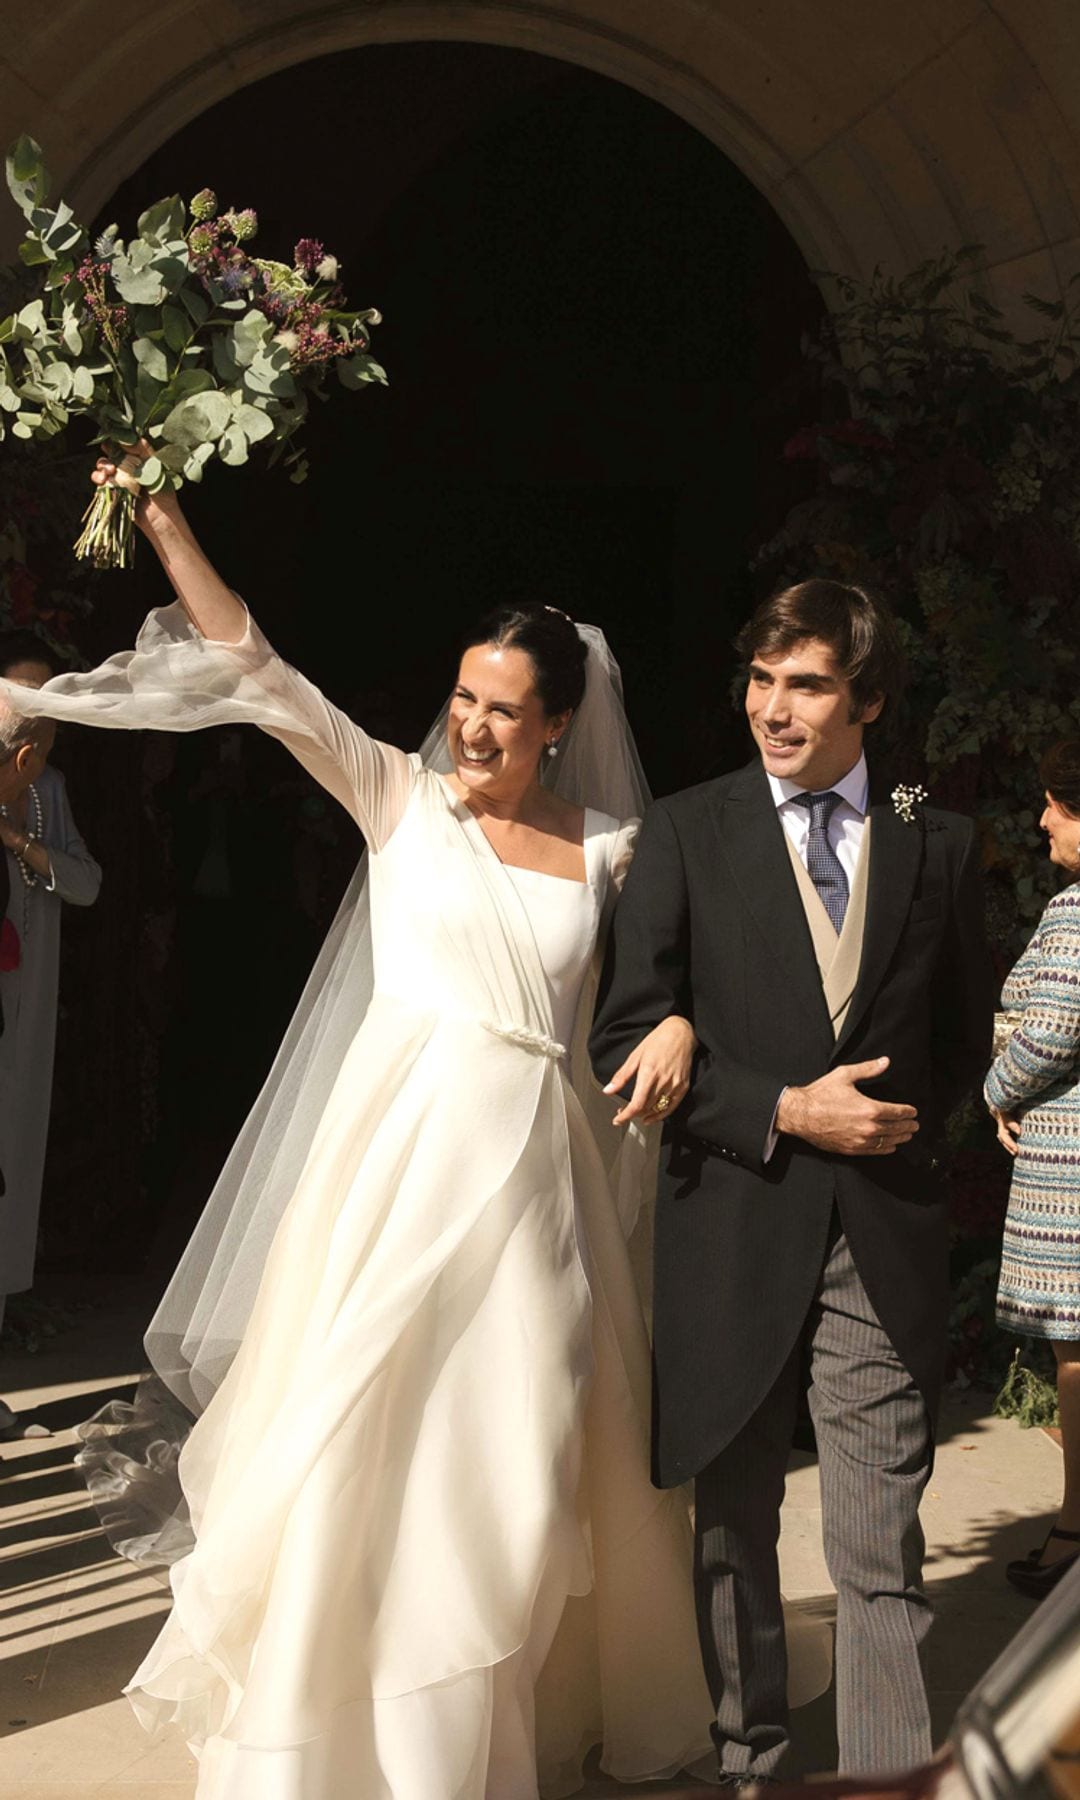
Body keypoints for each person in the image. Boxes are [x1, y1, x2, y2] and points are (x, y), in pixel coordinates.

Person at [0, 453, 753, 1799]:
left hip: (539, 1189)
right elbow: (253, 661)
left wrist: (684, 1026)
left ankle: (487, 1726)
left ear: (559, 722)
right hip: (398, 1177)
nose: (470, 727)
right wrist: (164, 510)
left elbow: (670, 987)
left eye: (502, 711)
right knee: (362, 1451)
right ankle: (367, 1752)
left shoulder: (614, 850)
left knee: (517, 1464)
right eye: (461, 699)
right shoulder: (393, 802)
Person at [590, 578, 995, 1782]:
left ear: (867, 698)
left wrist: (904, 1141)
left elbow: (963, 1038)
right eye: (761, 681)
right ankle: (750, 1764)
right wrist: (777, 1106)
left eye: (806, 684)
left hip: (878, 1232)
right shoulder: (686, 828)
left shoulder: (943, 842)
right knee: (733, 1534)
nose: (773, 708)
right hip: (731, 1226)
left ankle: (884, 1780)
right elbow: (623, 1037)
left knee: (879, 1547)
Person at [985, 738, 1080, 1600]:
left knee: (1078, 1352)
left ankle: (1076, 1526)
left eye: (1059, 802)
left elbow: (1051, 1029)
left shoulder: (1077, 912)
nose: (1045, 817)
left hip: (1072, 1171)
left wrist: (995, 1087)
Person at [0, 634, 102, 1367]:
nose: (34, 719)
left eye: (47, 702)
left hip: (26, 1001)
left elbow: (87, 883)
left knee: (16, 1140)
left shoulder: (47, 791)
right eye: (20, 700)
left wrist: (20, 842)